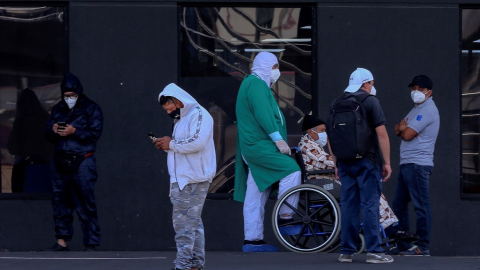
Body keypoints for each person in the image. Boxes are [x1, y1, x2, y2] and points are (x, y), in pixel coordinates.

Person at [299, 115, 418, 254]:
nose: (325, 134)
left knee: (373, 191)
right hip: (324, 184)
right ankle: (391, 229)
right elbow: (330, 161)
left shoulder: (312, 145)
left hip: (330, 180)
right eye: (322, 130)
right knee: (370, 191)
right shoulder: (307, 146)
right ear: (310, 131)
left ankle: (391, 228)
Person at [234, 51, 301, 252]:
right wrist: (278, 140)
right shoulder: (255, 84)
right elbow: (263, 114)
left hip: (254, 145)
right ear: (264, 67)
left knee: (256, 192)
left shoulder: (254, 84)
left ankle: (252, 240)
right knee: (291, 169)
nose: (277, 72)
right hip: (259, 145)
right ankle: (286, 217)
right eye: (274, 67)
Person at [327, 68, 393, 263]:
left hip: (345, 162)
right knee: (370, 204)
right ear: (365, 84)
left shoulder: (336, 103)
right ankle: (374, 251)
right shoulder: (371, 101)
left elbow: (331, 135)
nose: (373, 87)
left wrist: (335, 161)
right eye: (371, 83)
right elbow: (381, 134)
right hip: (367, 161)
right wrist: (387, 162)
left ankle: (346, 251)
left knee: (349, 205)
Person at [154, 83, 216, 270]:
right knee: (192, 223)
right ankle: (194, 264)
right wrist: (168, 146)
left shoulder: (199, 115)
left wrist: (171, 144)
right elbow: (184, 146)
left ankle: (183, 265)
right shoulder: (183, 117)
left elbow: (197, 142)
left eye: (171, 108)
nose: (169, 113)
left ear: (179, 101)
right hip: (186, 177)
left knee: (184, 225)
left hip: (192, 178)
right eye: (167, 110)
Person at [45, 72, 103, 252]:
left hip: (82, 160)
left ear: (78, 92)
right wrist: (54, 130)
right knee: (60, 202)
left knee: (86, 202)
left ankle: (91, 242)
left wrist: (74, 131)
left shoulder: (91, 108)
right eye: (66, 95)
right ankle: (62, 240)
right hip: (60, 159)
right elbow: (47, 134)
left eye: (72, 95)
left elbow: (94, 134)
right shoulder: (57, 109)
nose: (69, 98)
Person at [392, 75, 439, 256]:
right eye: (413, 88)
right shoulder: (415, 109)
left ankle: (423, 246)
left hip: (418, 164)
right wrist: (402, 127)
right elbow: (397, 129)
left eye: (419, 89)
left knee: (421, 205)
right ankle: (404, 246)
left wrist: (404, 128)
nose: (415, 92)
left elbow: (406, 134)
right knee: (399, 205)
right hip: (407, 163)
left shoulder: (427, 110)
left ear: (429, 92)